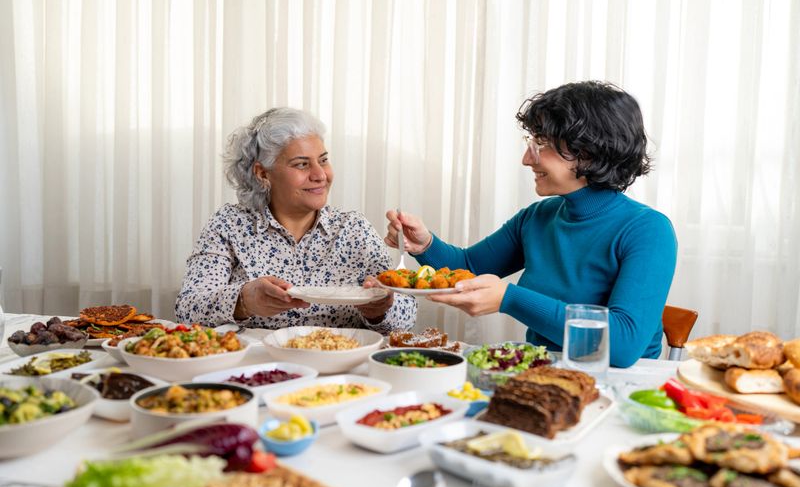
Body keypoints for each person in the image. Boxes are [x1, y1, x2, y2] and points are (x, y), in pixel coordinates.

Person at [384, 81, 677, 367]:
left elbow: (623, 345)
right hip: (542, 373)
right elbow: (469, 267)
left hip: (623, 386)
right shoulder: (538, 217)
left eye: (541, 144)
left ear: (587, 153)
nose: (527, 159)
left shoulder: (649, 230)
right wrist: (424, 245)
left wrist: (509, 298)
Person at [176, 107, 416, 333]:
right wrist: (243, 301)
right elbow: (187, 309)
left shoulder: (353, 228)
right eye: (302, 164)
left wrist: (380, 310)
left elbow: (407, 314)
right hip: (257, 367)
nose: (320, 175)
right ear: (262, 173)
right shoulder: (229, 224)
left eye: (323, 160)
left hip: (340, 368)